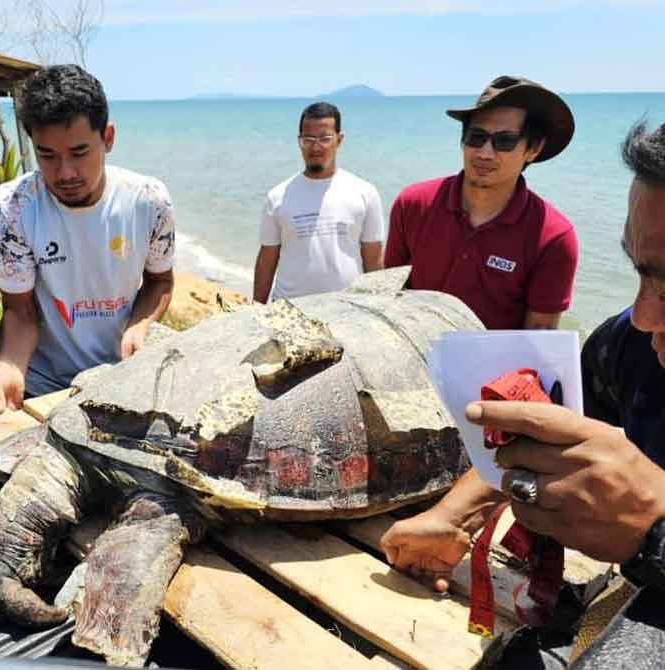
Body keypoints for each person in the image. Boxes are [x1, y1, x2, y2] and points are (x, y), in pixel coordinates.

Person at [381, 121, 665, 665]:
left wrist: (655, 531)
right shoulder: (626, 346)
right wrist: (456, 517)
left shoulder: (548, 234)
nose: (646, 315)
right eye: (640, 272)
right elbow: (549, 423)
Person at [0, 64, 176, 411]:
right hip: (45, 385)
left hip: (123, 376)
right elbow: (19, 311)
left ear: (108, 138)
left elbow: (159, 282)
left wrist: (140, 326)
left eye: (79, 152)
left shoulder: (149, 201)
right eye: (48, 156)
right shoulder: (11, 208)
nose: (65, 173)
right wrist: (8, 366)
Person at [384, 76, 579, 330]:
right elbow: (388, 295)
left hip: (497, 369)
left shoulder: (553, 237)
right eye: (476, 137)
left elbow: (538, 338)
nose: (485, 153)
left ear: (533, 149)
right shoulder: (412, 204)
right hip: (415, 358)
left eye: (505, 141)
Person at [253, 102, 385, 303]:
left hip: (349, 310)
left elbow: (373, 258)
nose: (316, 147)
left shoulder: (365, 192)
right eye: (308, 139)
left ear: (339, 140)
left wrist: (379, 307)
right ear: (299, 141)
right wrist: (256, 309)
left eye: (324, 138)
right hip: (289, 312)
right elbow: (267, 258)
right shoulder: (277, 196)